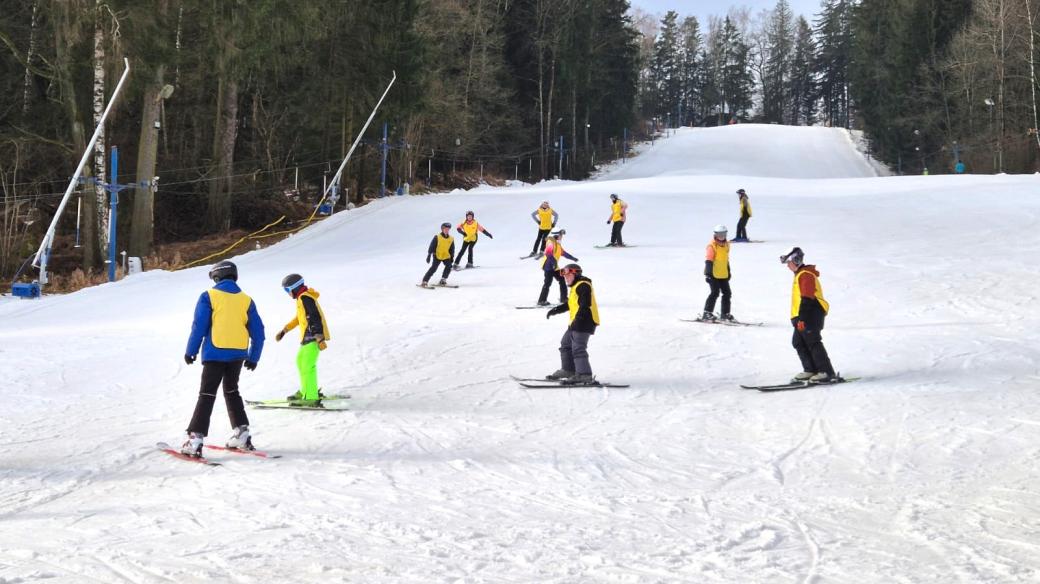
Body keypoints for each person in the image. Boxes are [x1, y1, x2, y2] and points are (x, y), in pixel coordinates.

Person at [181, 260, 265, 455]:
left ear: (217, 276)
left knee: (207, 394)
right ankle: (242, 433)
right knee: (232, 391)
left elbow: (199, 325)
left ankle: (195, 439)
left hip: (215, 353)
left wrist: (191, 350)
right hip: (237, 354)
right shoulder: (246, 300)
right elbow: (258, 332)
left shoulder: (209, 296)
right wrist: (254, 357)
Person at [780, 247, 836, 383]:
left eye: (789, 262)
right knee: (798, 342)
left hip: (810, 314)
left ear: (796, 260)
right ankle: (810, 369)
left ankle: (826, 372)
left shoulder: (805, 275)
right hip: (802, 316)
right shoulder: (800, 274)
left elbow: (807, 298)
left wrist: (802, 318)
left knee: (813, 342)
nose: (788, 266)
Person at [274, 274, 330, 406]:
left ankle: (311, 397)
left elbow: (315, 316)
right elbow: (299, 318)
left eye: (287, 290)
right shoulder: (301, 298)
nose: (287, 294)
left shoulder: (306, 298)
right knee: (301, 362)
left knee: (308, 366)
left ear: (294, 288)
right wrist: (285, 330)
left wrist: (319, 336)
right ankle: (306, 390)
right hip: (307, 336)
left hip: (313, 336)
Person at [546, 263, 599, 384]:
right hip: (576, 322)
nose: (566, 278)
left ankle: (584, 374)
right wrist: (555, 310)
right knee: (565, 344)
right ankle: (568, 370)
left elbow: (585, 305)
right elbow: (569, 304)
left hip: (584, 321)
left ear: (576, 274)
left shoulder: (583, 286)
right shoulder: (575, 287)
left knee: (578, 348)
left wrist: (578, 320)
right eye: (564, 276)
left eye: (568, 275)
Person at [537, 229, 579, 306]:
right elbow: (548, 254)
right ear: (556, 235)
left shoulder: (557, 244)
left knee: (562, 279)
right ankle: (541, 300)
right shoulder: (550, 242)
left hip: (555, 267)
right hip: (548, 266)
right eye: (560, 235)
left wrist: (573, 258)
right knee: (547, 283)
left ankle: (564, 298)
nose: (561, 236)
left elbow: (564, 253)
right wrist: (554, 263)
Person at [702, 225, 734, 321]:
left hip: (723, 274)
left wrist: (728, 271)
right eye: (719, 234)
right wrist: (708, 274)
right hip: (713, 274)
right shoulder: (712, 246)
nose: (722, 236)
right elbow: (709, 260)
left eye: (724, 234)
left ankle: (725, 314)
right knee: (715, 293)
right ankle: (707, 313)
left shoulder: (727, 245)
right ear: (715, 234)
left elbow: (725, 260)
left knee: (727, 293)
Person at [421, 222, 456, 287]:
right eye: (445, 229)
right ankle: (424, 281)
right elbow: (432, 246)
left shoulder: (451, 238)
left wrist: (452, 257)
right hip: (437, 255)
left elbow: (452, 248)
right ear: (442, 229)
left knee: (449, 266)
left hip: (445, 255)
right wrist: (429, 255)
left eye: (448, 229)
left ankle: (443, 280)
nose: (447, 230)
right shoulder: (437, 237)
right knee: (434, 268)